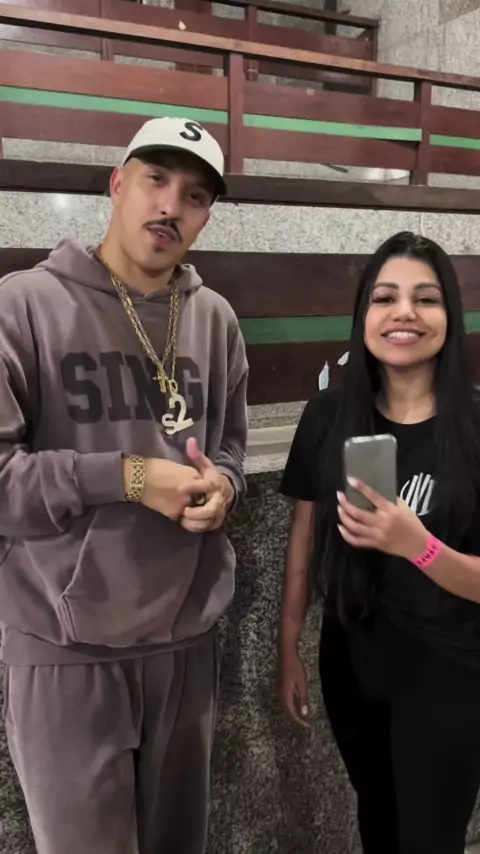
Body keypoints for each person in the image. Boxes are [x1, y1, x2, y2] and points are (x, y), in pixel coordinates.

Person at [0, 116, 248, 854]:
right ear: (117, 184)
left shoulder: (215, 320)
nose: (172, 205)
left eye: (196, 196)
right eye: (156, 180)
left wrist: (225, 489)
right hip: (64, 643)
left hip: (186, 640)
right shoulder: (22, 306)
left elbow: (230, 451)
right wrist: (130, 477)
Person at [278, 231, 480, 854]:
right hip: (353, 660)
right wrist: (288, 646)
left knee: (430, 837)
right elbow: (304, 540)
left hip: (451, 668)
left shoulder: (475, 426)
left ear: (450, 315)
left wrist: (418, 545)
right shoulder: (327, 416)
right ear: (364, 314)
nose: (404, 313)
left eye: (426, 298)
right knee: (378, 823)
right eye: (385, 297)